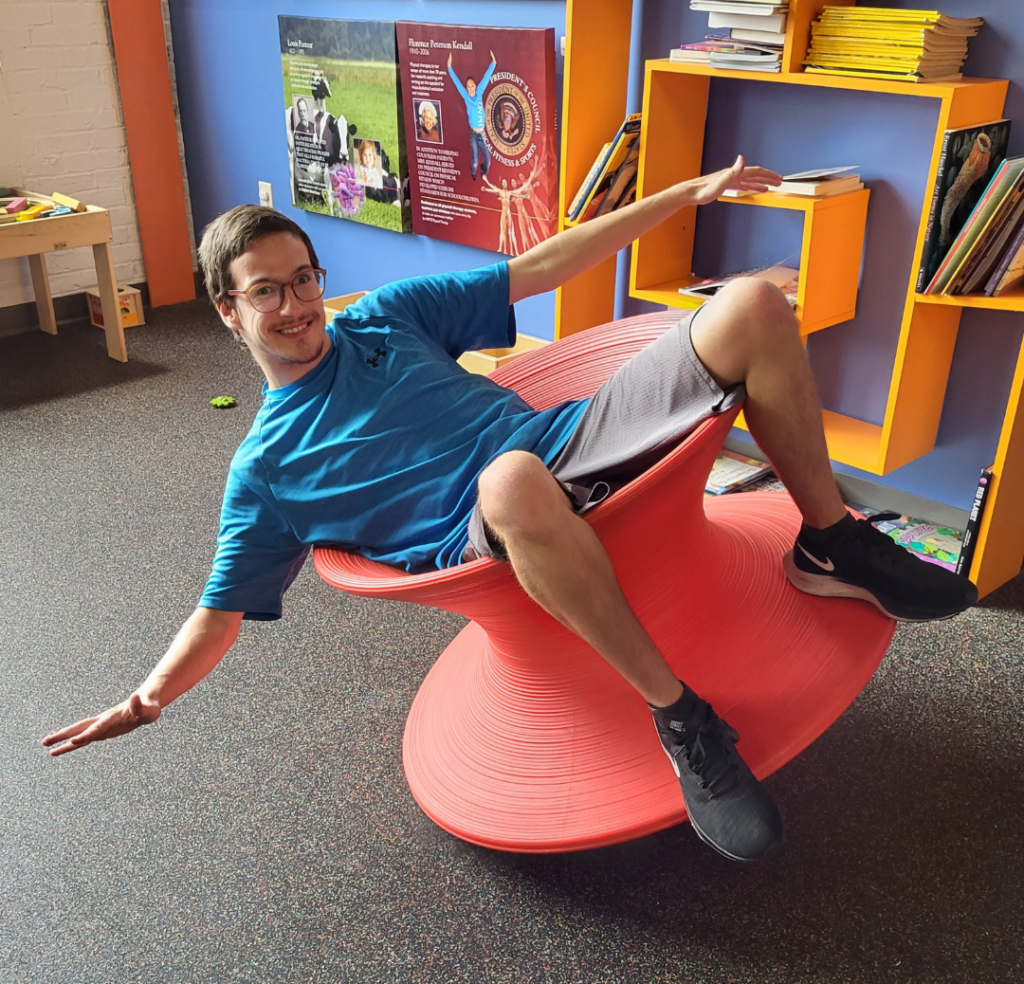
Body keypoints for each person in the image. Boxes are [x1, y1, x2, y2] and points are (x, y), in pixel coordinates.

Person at [43, 156, 978, 863]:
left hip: (577, 438)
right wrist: (146, 698)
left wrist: (687, 196)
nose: (297, 305)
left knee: (754, 306)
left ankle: (831, 542)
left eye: (304, 278)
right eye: (266, 292)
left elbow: (542, 266)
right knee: (510, 480)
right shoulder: (267, 470)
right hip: (493, 520)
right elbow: (221, 607)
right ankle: (684, 719)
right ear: (226, 312)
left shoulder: (384, 317)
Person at [448, 49, 496, 180]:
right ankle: (473, 172)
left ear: (475, 86)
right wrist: (449, 68)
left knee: (488, 160)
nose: (470, 88)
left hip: (482, 133)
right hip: (474, 135)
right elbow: (457, 83)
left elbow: (486, 77)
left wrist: (493, 63)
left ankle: (484, 171)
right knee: (475, 160)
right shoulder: (466, 96)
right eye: (468, 86)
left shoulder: (479, 92)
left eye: (472, 86)